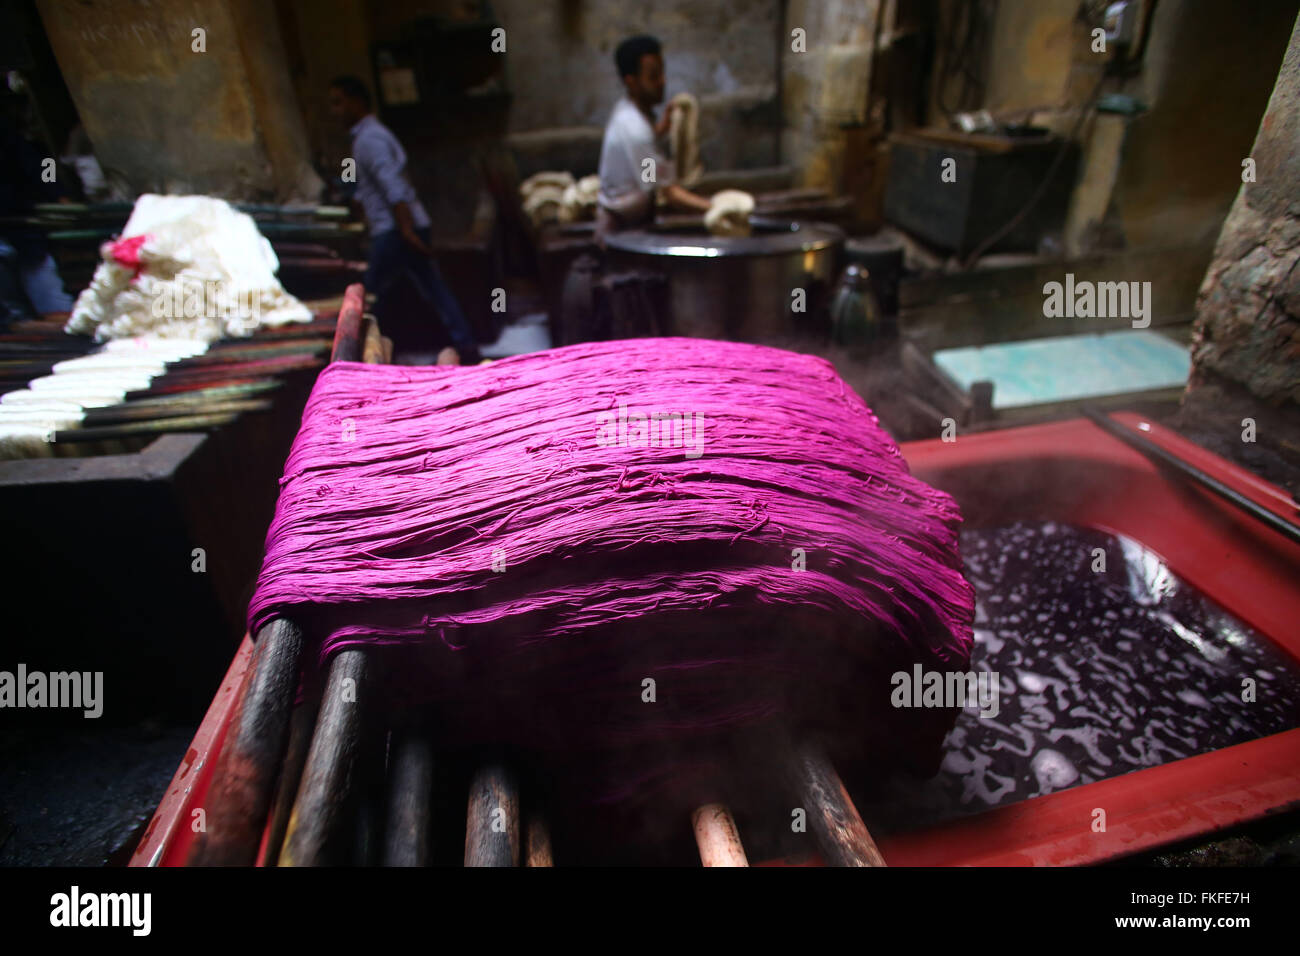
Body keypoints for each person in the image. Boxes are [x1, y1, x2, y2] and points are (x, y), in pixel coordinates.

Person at [327, 75, 479, 363]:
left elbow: (393, 187)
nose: (335, 111)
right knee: (429, 287)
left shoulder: (370, 139)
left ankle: (355, 362)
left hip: (395, 229)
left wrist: (406, 230)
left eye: (338, 102)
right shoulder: (368, 136)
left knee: (368, 296)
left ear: (357, 101)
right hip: (399, 227)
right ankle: (466, 346)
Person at [596, 35, 711, 241]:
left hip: (632, 220)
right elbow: (667, 191)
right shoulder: (635, 128)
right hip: (620, 230)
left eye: (662, 73)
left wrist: (660, 130)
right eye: (653, 76)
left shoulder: (630, 111)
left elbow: (647, 164)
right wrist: (715, 206)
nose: (663, 82)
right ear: (631, 82)